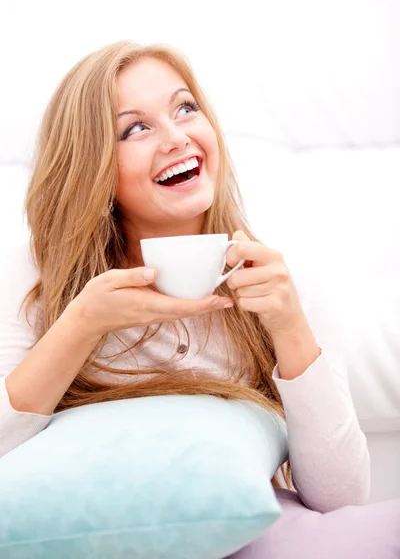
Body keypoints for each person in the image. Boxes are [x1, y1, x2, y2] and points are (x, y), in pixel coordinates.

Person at [1, 40, 398, 557]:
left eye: (185, 108)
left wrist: (291, 329)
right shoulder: (38, 274)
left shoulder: (280, 276)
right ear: (92, 165)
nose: (177, 137)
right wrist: (80, 326)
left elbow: (339, 496)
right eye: (135, 128)